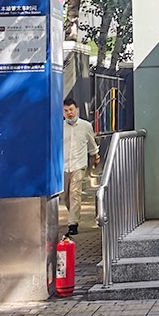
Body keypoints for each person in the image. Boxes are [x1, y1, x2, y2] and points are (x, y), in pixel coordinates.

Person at [62, 97, 99, 236]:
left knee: (75, 193)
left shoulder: (86, 126)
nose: (69, 113)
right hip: (63, 166)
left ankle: (73, 224)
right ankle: (74, 214)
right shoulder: (60, 127)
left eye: (71, 109)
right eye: (66, 111)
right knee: (65, 195)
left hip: (79, 164)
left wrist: (96, 156)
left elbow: (92, 143)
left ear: (76, 110)